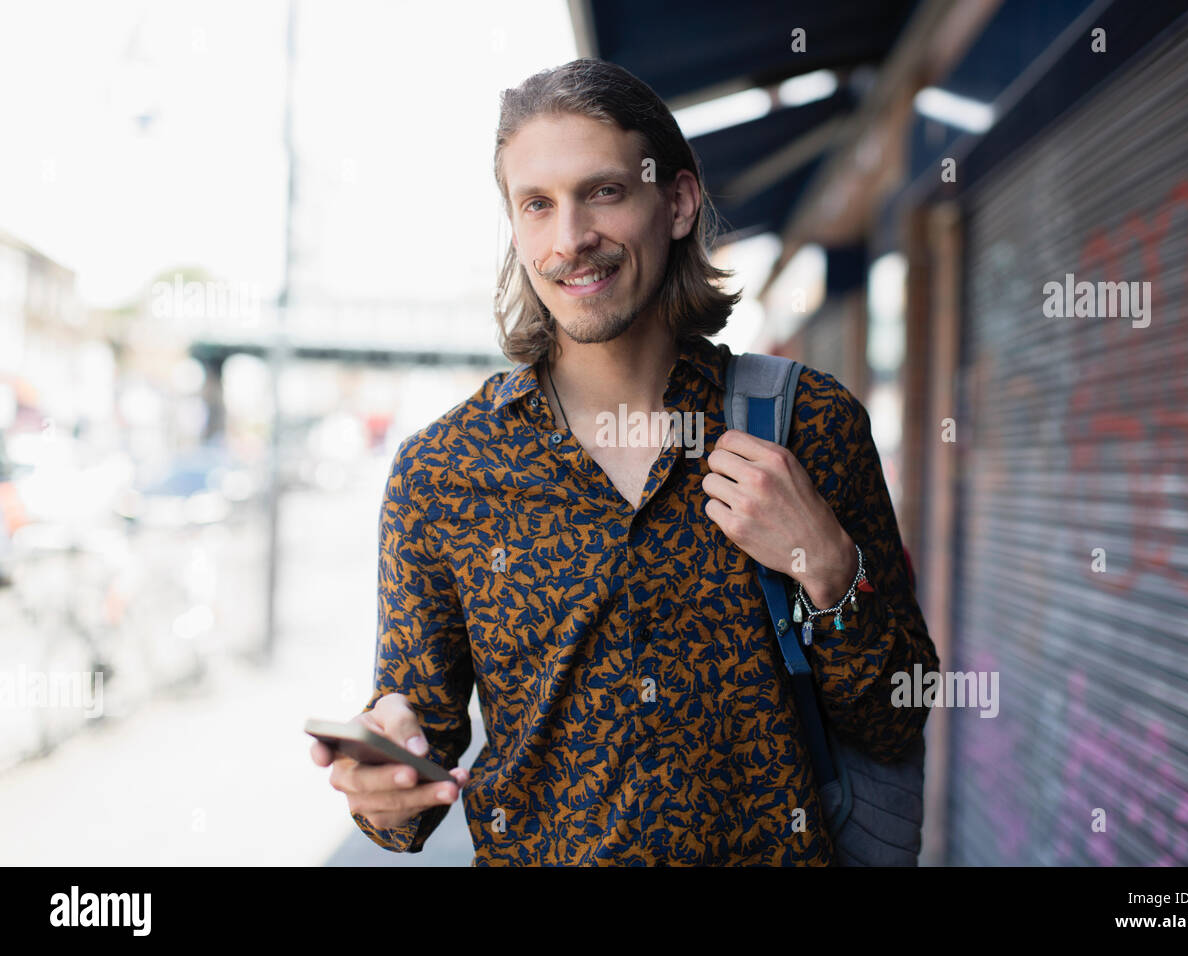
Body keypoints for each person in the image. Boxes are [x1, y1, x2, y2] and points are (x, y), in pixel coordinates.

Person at [309, 57, 938, 865]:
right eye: (537, 205)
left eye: (602, 191)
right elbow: (409, 782)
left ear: (675, 203)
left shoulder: (809, 425)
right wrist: (383, 776)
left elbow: (898, 712)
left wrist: (826, 568)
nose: (570, 240)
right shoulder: (441, 474)